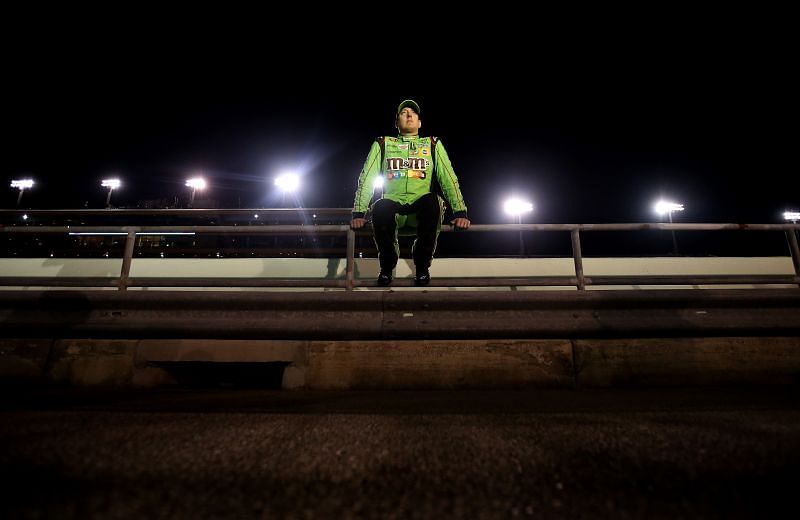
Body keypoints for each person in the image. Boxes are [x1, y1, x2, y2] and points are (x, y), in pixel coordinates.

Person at [351, 99, 470, 286]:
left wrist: (460, 212)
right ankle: (387, 268)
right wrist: (358, 213)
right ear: (396, 123)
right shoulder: (383, 143)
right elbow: (366, 178)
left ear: (420, 123)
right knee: (380, 205)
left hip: (420, 210)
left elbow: (448, 178)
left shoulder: (432, 144)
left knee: (433, 201)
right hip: (393, 209)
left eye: (413, 113)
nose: (408, 115)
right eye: (403, 113)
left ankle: (422, 267)